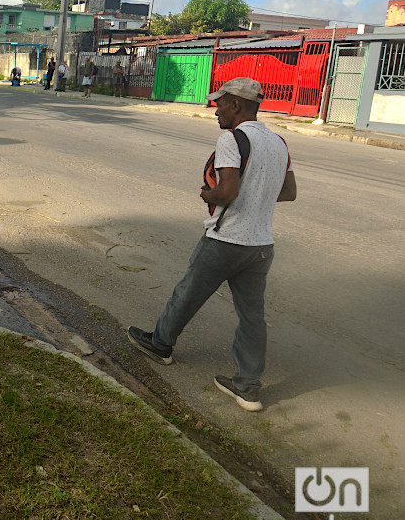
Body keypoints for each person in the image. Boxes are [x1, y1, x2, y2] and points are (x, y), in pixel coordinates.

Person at [126, 78, 297, 412]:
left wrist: (207, 194)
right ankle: (248, 388)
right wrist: (258, 194)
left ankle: (160, 345)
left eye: (220, 103)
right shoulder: (279, 142)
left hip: (226, 240)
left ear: (236, 105)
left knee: (187, 293)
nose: (215, 109)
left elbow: (227, 192)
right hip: (260, 246)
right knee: (252, 317)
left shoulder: (231, 139)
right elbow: (288, 192)